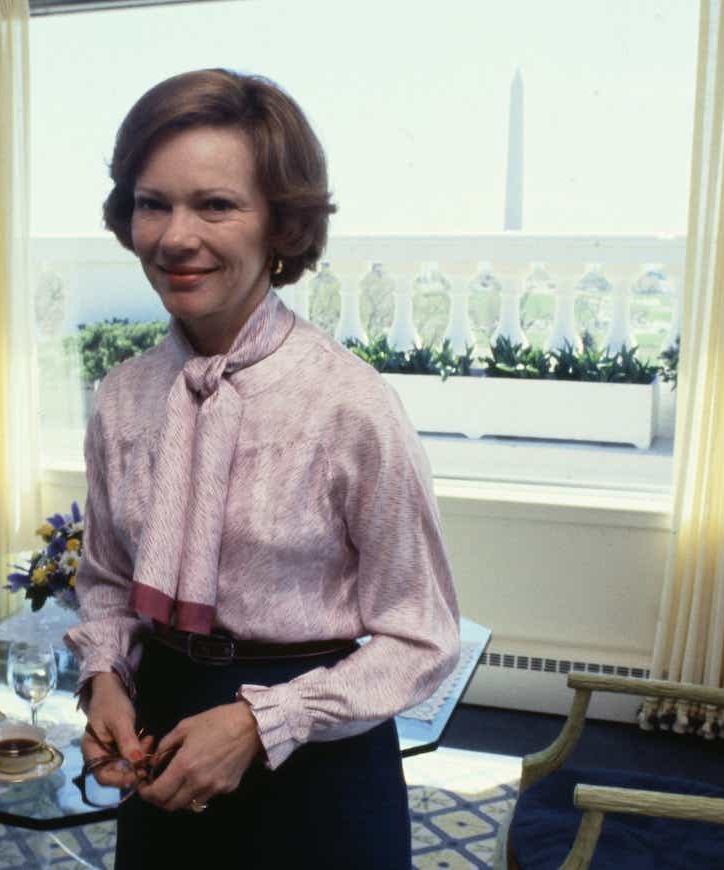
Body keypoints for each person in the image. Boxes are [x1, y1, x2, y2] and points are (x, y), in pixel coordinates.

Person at [63, 68, 461, 869]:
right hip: (164, 731)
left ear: (281, 224)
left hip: (319, 761)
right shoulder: (123, 398)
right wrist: (104, 679)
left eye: (216, 204)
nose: (177, 237)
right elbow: (108, 579)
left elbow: (422, 638)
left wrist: (260, 723)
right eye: (153, 203)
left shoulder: (350, 405)